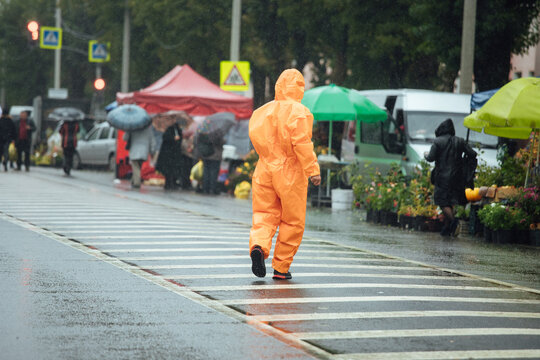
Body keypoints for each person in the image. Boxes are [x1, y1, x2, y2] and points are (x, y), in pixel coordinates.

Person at [248, 69, 321, 280]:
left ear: (278, 86)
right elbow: (301, 143)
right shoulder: (300, 111)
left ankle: (259, 246)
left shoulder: (261, 112)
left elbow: (256, 138)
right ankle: (281, 267)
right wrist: (312, 170)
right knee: (292, 220)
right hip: (290, 171)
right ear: (299, 88)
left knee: (263, 215)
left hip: (263, 169)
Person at [425, 118, 477, 236]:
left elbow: (431, 158)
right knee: (450, 201)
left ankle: (454, 222)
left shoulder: (437, 141)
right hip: (457, 177)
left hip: (442, 177)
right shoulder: (460, 141)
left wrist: (426, 155)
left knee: (442, 202)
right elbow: (473, 154)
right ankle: (447, 228)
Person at [155, 121, 183, 190]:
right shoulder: (170, 130)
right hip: (169, 155)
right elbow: (166, 138)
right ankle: (169, 183)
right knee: (169, 171)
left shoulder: (177, 130)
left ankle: (171, 183)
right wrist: (174, 138)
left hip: (172, 155)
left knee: (171, 171)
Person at [0, 107, 16, 171]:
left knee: (1, 151)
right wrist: (13, 138)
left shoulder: (1, 120)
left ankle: (3, 161)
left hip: (1, 139)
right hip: (7, 139)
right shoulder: (10, 121)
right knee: (6, 151)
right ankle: (5, 163)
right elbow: (14, 130)